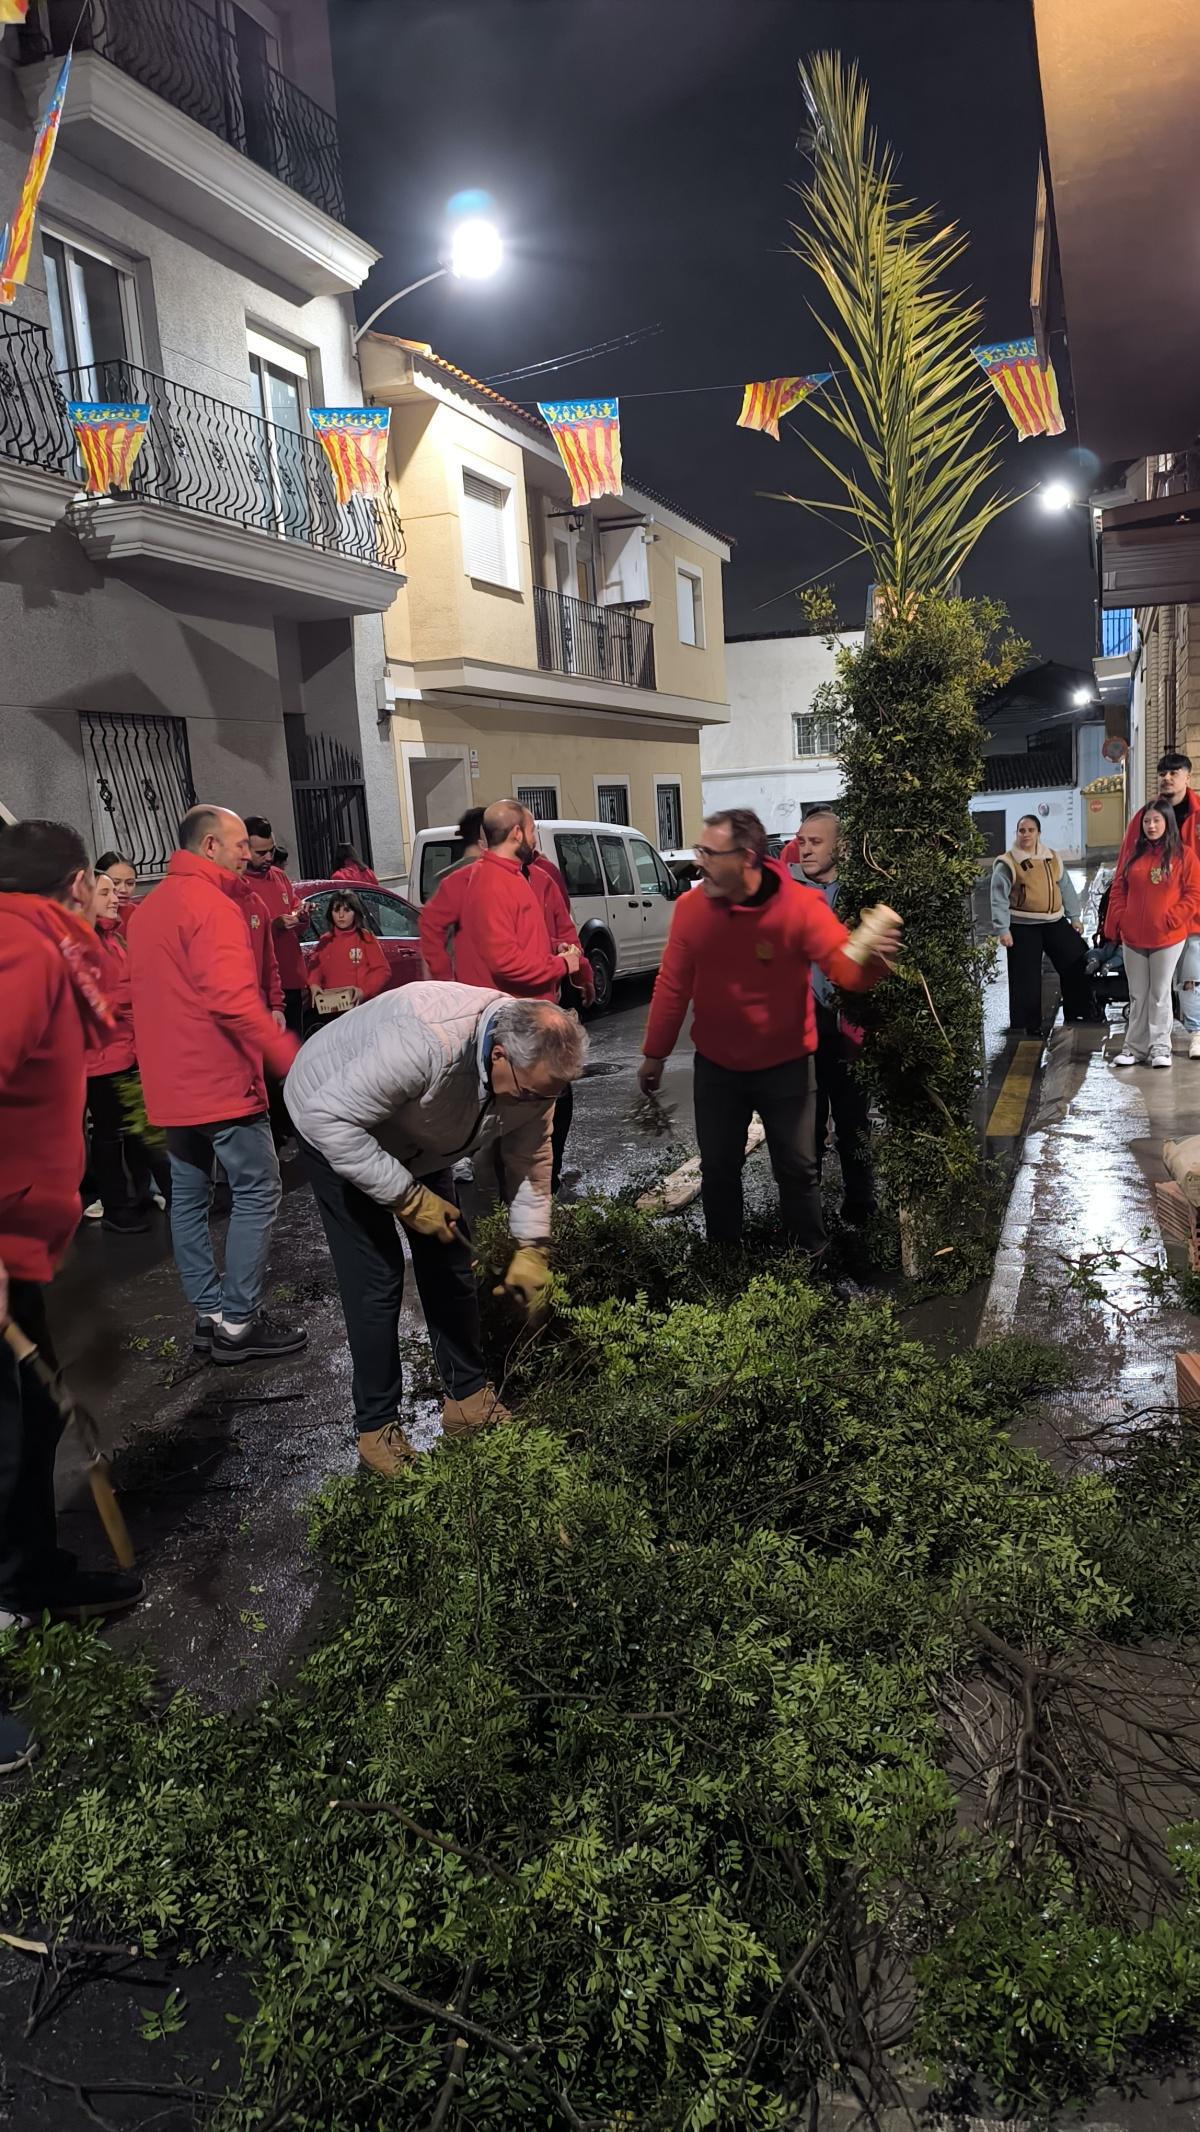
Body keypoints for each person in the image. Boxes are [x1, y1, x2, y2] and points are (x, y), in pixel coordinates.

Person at [285, 987, 587, 1476]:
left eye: (548, 1096)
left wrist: (532, 1246)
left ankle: (467, 1398)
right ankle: (377, 1428)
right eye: (530, 1093)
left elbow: (530, 1159)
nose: (536, 1104)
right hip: (333, 1113)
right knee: (377, 1276)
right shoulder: (425, 1043)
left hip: (421, 1131)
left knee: (449, 1258)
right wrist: (407, 1198)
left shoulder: (539, 1078)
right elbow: (329, 1119)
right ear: (498, 1054)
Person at [0, 821, 143, 1717]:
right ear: (78, 881)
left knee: (32, 1416)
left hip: (18, 1244)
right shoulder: (20, 951)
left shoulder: (48, 945)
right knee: (3, 1433)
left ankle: (29, 1576)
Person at [638, 809, 900, 1251]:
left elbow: (843, 970)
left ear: (746, 859)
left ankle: (809, 1264)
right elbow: (673, 984)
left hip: (787, 1066)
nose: (698, 862)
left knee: (797, 1171)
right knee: (718, 1169)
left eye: (709, 853)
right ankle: (725, 1263)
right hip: (718, 1067)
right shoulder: (691, 909)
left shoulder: (800, 908)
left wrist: (873, 959)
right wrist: (654, 1053)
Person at [127, 806, 305, 1365]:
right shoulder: (214, 908)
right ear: (208, 845)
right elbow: (231, 998)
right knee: (257, 1190)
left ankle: (209, 1315)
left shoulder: (148, 910)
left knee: (188, 1198)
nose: (247, 855)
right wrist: (285, 1055)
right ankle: (237, 1324)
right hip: (219, 1080)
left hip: (170, 1082)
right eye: (237, 846)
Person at [453, 801, 588, 1192]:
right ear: (515, 834)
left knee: (543, 1112)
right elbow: (509, 963)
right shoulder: (490, 884)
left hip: (526, 1013)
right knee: (514, 1115)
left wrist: (572, 962)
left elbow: (556, 932)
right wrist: (562, 965)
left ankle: (527, 1200)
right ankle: (512, 1207)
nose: (536, 839)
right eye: (531, 831)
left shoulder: (537, 879)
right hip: (508, 1019)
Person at [790, 808, 876, 1226]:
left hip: (848, 1031)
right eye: (802, 841)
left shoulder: (860, 893)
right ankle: (808, 1220)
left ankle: (861, 1207)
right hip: (801, 1032)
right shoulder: (785, 892)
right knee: (805, 1130)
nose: (805, 849)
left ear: (840, 846)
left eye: (815, 842)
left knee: (853, 1121)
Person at [85, 870, 172, 1233]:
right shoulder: (83, 944)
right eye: (105, 892)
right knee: (112, 1136)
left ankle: (138, 1197)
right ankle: (118, 1207)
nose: (115, 896)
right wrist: (128, 998)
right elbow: (88, 1001)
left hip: (127, 1050)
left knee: (137, 1130)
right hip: (100, 1059)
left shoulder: (114, 938)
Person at [1104, 802, 1200, 1069]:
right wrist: (1122, 917)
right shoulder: (1133, 854)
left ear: (1167, 822)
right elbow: (1118, 889)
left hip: (1167, 938)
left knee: (1159, 993)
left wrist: (1173, 918)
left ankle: (1160, 1048)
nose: (1151, 826)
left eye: (1157, 820)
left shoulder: (1184, 855)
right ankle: (1133, 1048)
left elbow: (1194, 893)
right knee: (1137, 995)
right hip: (1134, 938)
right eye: (1147, 821)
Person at [991, 815, 1088, 1036]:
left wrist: (1074, 917)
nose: (1025, 834)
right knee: (1026, 978)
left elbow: (1066, 887)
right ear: (1017, 833)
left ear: (1038, 833)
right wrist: (1003, 929)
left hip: (1054, 920)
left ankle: (1080, 1011)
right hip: (1022, 925)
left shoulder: (1052, 857)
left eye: (1030, 830)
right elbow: (998, 897)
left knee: (1077, 958)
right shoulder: (1007, 862)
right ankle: (1028, 1026)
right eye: (1021, 830)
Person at [243, 816, 308, 1034]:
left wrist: (301, 916)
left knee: (295, 1053)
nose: (269, 857)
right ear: (244, 849)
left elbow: (296, 912)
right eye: (261, 853)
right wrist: (274, 925)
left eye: (271, 850)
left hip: (290, 979)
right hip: (260, 987)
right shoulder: (239, 886)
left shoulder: (279, 877)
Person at [417, 806, 487, 976]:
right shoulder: (483, 877)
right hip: (475, 979)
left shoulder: (441, 878)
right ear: (483, 839)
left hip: (453, 981)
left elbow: (430, 939)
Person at [306, 888, 390, 1015]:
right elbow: (314, 967)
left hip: (362, 1007)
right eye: (336, 910)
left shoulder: (366, 938)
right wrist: (314, 984)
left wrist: (364, 991)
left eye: (346, 910)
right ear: (330, 913)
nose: (341, 915)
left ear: (355, 912)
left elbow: (382, 971)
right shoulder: (325, 940)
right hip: (332, 1008)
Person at [94, 849, 138, 930]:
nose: (124, 890)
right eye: (115, 882)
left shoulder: (139, 914)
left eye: (130, 883)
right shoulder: (86, 919)